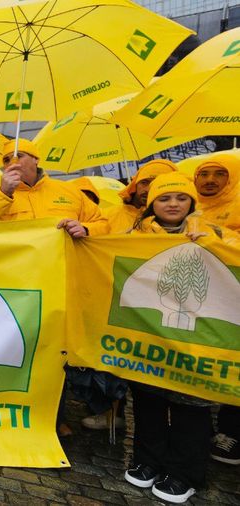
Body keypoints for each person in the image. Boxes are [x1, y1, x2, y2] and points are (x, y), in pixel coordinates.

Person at [124, 172, 235, 504]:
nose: (172, 204)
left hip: (195, 342)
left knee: (191, 407)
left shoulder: (215, 232)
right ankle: (147, 461)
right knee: (147, 402)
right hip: (150, 337)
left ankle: (185, 473)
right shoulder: (133, 235)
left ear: (192, 202)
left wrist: (213, 247)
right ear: (151, 204)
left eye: (180, 198)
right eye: (164, 198)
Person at [0, 139, 109, 237]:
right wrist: (3, 194)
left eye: (19, 156)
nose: (12, 162)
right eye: (6, 160)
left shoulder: (69, 191)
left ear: (35, 159)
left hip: (65, 273)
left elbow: (104, 225)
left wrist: (85, 229)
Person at [104, 160, 177, 234]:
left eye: (156, 184)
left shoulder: (178, 220)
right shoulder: (106, 216)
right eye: (144, 182)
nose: (147, 189)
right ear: (135, 184)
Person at [193, 154, 240, 231]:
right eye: (204, 174)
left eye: (219, 174)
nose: (209, 180)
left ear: (233, 178)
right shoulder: (184, 205)